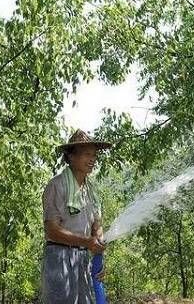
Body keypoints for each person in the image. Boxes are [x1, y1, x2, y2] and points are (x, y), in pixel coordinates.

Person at [41, 129, 112, 304]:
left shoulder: (91, 191)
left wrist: (99, 252)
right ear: (71, 157)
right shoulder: (56, 186)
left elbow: (97, 226)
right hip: (59, 259)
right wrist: (87, 242)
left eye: (95, 155)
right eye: (87, 154)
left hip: (83, 260)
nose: (93, 159)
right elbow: (52, 231)